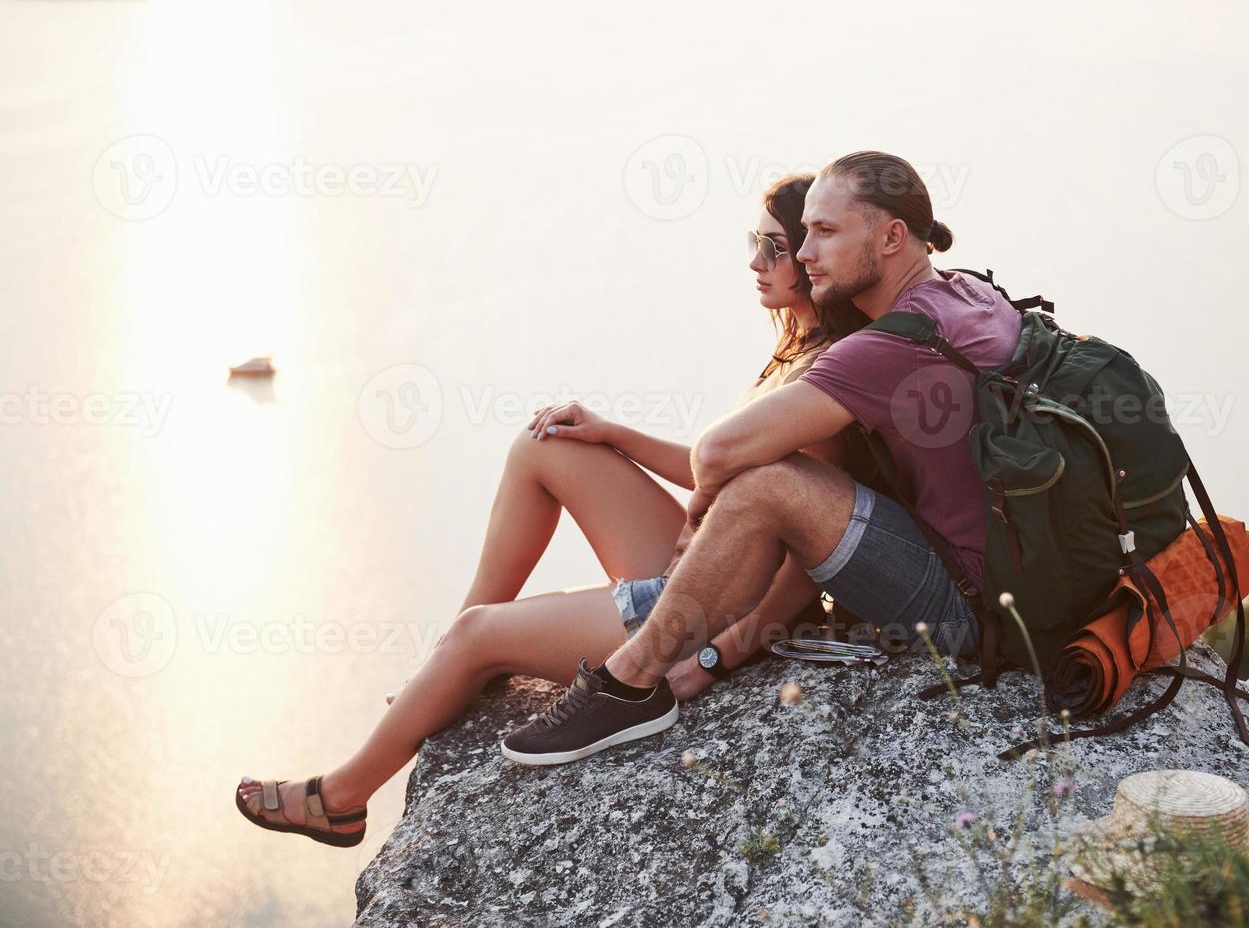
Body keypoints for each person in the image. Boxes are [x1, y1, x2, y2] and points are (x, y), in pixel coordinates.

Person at [235, 174, 875, 845]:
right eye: (756, 242)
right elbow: (729, 473)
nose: (754, 261)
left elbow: (808, 545)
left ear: (812, 256)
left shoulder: (823, 378)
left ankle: (340, 798)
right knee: (545, 445)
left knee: (481, 634)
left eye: (773, 247)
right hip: (704, 553)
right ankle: (446, 663)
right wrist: (613, 434)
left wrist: (721, 654)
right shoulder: (795, 347)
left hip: (710, 603)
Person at [498, 151, 1024, 766]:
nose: (804, 254)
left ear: (891, 237)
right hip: (1007, 578)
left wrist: (699, 515)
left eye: (824, 233)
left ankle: (632, 682)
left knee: (768, 483)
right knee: (772, 474)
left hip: (969, 612)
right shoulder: (968, 293)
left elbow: (721, 450)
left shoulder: (890, 343)